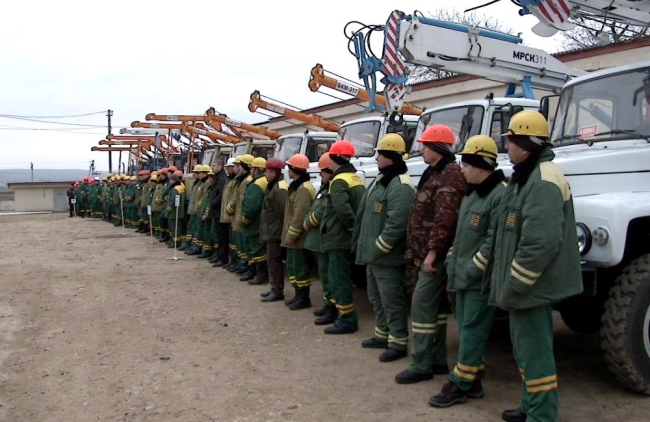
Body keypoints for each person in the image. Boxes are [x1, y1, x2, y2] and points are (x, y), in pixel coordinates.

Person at [491, 111, 582, 422]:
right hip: (525, 286)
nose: (507, 147)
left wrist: (516, 283)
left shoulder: (542, 179)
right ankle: (530, 406)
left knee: (536, 354)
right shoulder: (527, 175)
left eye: (511, 141)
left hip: (532, 286)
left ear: (526, 143)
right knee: (526, 351)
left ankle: (541, 416)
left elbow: (540, 242)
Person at [427, 135, 507, 408]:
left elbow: (493, 240)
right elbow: (462, 234)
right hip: (462, 275)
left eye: (467, 165)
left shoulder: (498, 196)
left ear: (481, 165)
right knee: (466, 328)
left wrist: (474, 267)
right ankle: (474, 381)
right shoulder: (473, 194)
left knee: (472, 330)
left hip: (477, 279)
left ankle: (459, 384)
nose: (462, 170)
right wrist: (453, 257)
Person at [395, 124, 467, 385]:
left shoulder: (450, 175)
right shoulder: (435, 172)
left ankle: (420, 365)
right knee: (435, 310)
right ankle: (436, 361)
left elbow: (445, 219)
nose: (422, 150)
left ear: (437, 147)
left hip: (435, 255)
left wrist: (433, 252)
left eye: (425, 146)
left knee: (422, 307)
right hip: (424, 252)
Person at [353, 134, 415, 362]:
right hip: (375, 256)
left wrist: (379, 247)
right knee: (376, 297)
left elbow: (397, 223)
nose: (377, 158)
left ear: (390, 157)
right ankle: (382, 334)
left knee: (392, 300)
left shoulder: (400, 186)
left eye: (380, 154)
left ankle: (398, 342)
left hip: (387, 257)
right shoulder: (382, 181)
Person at [320, 140, 366, 334]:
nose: (328, 163)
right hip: (347, 237)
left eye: (330, 158)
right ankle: (343, 316)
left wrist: (352, 229)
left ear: (336, 159)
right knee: (343, 277)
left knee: (339, 279)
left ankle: (346, 319)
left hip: (339, 238)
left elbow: (343, 210)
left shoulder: (338, 181)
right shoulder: (355, 177)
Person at [303, 153, 337, 325]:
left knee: (329, 275)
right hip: (319, 239)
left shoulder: (332, 188)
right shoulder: (324, 188)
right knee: (324, 274)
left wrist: (308, 222)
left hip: (325, 238)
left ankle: (332, 308)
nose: (320, 175)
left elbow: (322, 210)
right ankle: (327, 304)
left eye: (322, 171)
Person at [281, 153, 316, 310]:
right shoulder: (298, 186)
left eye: (290, 167)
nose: (288, 170)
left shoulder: (303, 189)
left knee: (300, 267)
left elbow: (299, 214)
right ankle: (298, 295)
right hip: (293, 236)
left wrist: (292, 235)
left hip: (298, 237)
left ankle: (303, 298)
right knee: (293, 266)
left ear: (296, 169)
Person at [259, 158, 289, 301]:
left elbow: (283, 212)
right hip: (271, 229)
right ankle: (274, 288)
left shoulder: (279, 188)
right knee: (271, 261)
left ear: (274, 172)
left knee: (274, 261)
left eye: (267, 171)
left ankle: (277, 291)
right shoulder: (273, 186)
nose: (265, 174)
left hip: (275, 231)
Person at [240, 157, 268, 284]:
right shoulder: (264, 181)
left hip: (254, 223)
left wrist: (245, 220)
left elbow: (251, 206)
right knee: (257, 249)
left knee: (256, 250)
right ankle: (254, 272)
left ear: (256, 170)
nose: (250, 171)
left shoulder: (256, 184)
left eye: (252, 168)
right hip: (262, 222)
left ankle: (260, 275)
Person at [227, 154, 254, 275]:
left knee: (244, 244)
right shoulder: (240, 180)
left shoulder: (246, 181)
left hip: (240, 217)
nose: (236, 168)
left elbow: (243, 201)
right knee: (238, 243)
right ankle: (239, 264)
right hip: (236, 216)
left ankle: (244, 265)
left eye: (238, 166)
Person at [214, 158, 238, 268]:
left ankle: (229, 260)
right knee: (223, 238)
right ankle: (225, 259)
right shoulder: (228, 179)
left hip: (230, 215)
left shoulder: (233, 180)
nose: (228, 169)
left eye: (230, 167)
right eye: (227, 167)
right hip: (225, 214)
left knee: (231, 240)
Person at [207, 159, 229, 263]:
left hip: (219, 211)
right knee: (217, 235)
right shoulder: (218, 177)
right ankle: (218, 255)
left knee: (222, 236)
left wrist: (213, 203)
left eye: (214, 165)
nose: (212, 167)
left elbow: (220, 194)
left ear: (220, 166)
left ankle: (222, 258)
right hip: (216, 211)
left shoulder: (222, 178)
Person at [183, 165, 207, 254]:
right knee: (191, 228)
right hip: (193, 211)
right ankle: (190, 244)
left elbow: (204, 198)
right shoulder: (196, 183)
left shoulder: (205, 184)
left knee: (198, 230)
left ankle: (196, 247)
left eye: (196, 173)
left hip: (199, 211)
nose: (194, 175)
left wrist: (198, 207)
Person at [166, 170, 187, 247]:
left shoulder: (175, 189)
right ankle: (174, 240)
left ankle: (176, 242)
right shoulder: (180, 187)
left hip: (174, 211)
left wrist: (168, 209)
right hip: (179, 210)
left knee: (175, 227)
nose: (169, 181)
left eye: (170, 180)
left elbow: (173, 200)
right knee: (176, 226)